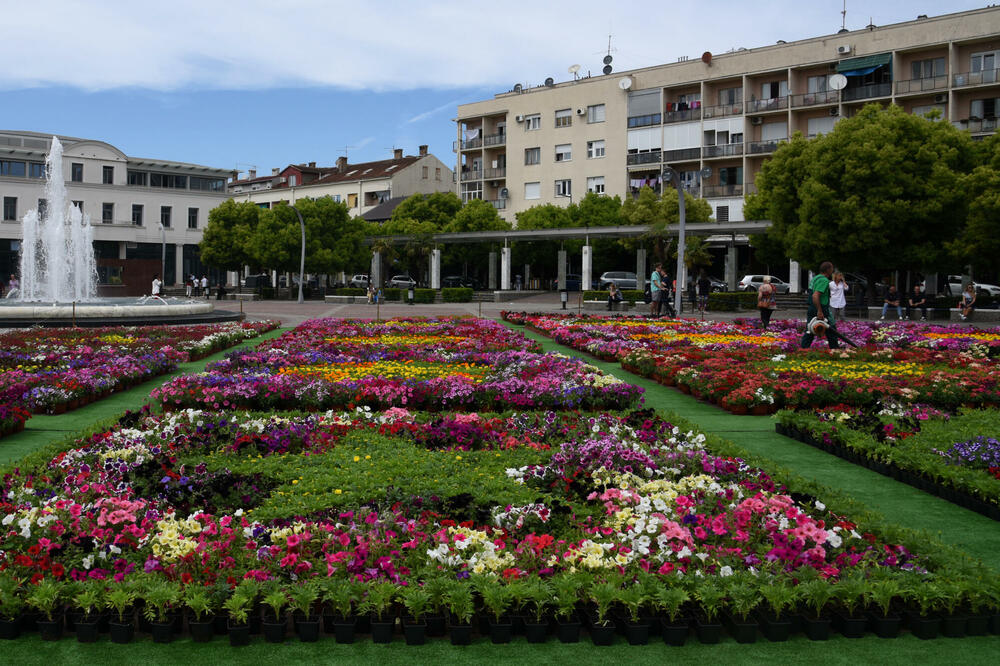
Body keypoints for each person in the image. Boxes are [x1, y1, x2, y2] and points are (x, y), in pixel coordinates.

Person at [800, 261, 840, 349]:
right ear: (828, 270)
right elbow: (815, 295)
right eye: (832, 269)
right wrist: (820, 311)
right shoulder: (824, 280)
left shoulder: (815, 278)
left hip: (812, 307)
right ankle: (835, 350)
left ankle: (803, 349)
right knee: (831, 330)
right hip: (821, 308)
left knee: (810, 330)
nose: (832, 271)